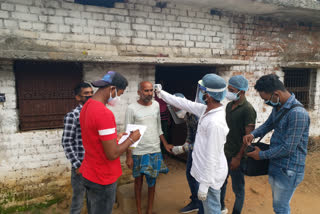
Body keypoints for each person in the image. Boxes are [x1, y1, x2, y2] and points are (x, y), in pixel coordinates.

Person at [155, 73, 229, 214]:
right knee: (206, 209)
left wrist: (205, 185)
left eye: (203, 92)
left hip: (210, 177)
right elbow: (184, 103)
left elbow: (212, 155)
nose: (201, 94)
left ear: (209, 96)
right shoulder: (205, 110)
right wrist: (161, 93)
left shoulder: (215, 123)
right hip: (202, 171)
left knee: (212, 210)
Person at [243, 74, 310, 214]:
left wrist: (261, 155)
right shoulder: (279, 105)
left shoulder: (298, 114)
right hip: (276, 163)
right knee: (278, 205)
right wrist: (253, 134)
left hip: (288, 169)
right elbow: (268, 124)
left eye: (266, 100)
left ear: (276, 94)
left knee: (281, 208)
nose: (266, 103)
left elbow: (288, 148)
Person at [79, 71, 141, 214]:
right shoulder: (104, 113)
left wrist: (115, 139)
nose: (118, 97)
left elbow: (94, 137)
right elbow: (112, 154)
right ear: (112, 89)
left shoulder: (87, 106)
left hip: (89, 172)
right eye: (119, 93)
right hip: (103, 177)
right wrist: (132, 139)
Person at [125, 81, 173, 214]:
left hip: (154, 149)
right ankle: (139, 210)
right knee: (138, 182)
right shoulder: (132, 108)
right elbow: (128, 133)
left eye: (151, 90)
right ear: (139, 92)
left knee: (152, 181)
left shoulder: (156, 105)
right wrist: (129, 156)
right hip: (139, 151)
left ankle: (149, 210)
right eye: (146, 91)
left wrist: (164, 144)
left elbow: (158, 127)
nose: (149, 93)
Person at [220, 75, 257, 214]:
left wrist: (238, 157)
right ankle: (220, 207)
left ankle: (236, 211)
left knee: (238, 188)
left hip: (237, 156)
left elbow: (248, 138)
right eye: (228, 89)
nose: (228, 92)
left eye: (231, 89)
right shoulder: (229, 106)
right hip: (225, 152)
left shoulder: (248, 110)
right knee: (221, 183)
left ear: (241, 92)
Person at [62, 82, 93, 214]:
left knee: (93, 199)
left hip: (94, 165)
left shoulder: (94, 113)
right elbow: (66, 142)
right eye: (86, 94)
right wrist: (78, 164)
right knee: (78, 201)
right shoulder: (72, 116)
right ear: (78, 97)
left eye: (91, 93)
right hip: (81, 165)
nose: (90, 96)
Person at [170, 93, 203, 214]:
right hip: (192, 148)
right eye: (174, 108)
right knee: (189, 174)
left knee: (198, 177)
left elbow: (202, 142)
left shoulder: (197, 115)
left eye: (177, 108)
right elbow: (190, 132)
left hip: (202, 151)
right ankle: (195, 201)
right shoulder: (188, 116)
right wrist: (186, 144)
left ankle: (201, 204)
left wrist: (184, 149)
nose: (176, 110)